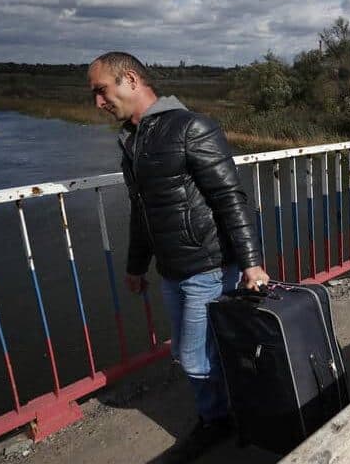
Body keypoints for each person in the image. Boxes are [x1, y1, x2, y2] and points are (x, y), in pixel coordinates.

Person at [88, 52, 270, 462]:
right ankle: (232, 411)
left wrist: (251, 263)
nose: (98, 103)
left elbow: (231, 199)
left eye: (102, 91)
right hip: (172, 270)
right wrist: (136, 266)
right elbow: (142, 210)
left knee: (192, 356)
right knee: (199, 352)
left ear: (130, 80)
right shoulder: (133, 138)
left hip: (207, 266)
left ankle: (218, 419)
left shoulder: (191, 126)